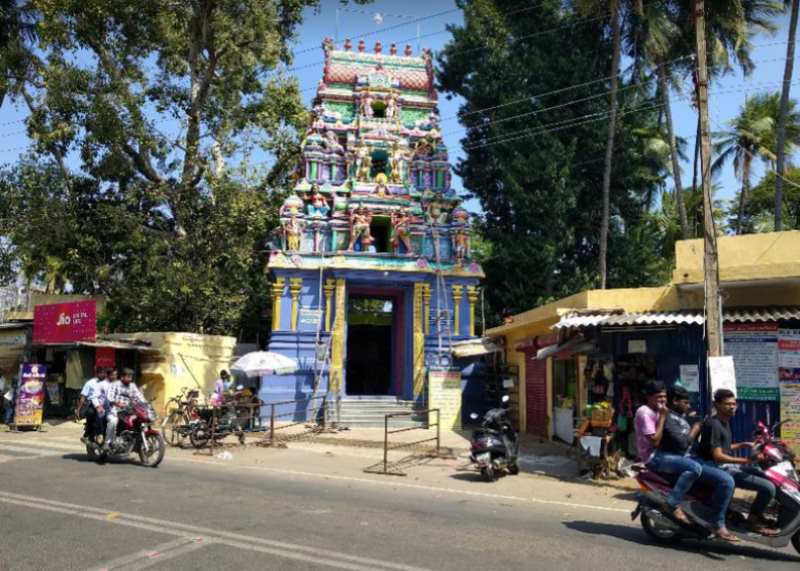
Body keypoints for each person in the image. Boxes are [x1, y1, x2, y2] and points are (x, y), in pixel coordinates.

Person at [695, 388, 778, 535]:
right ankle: (751, 521)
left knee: (769, 478)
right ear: (717, 405)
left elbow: (724, 447)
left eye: (734, 404)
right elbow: (718, 456)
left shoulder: (724, 422)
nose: (732, 407)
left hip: (726, 465)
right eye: (727, 404)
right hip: (717, 467)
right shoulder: (713, 424)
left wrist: (743, 444)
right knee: (768, 488)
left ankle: (755, 516)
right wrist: (746, 460)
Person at [659, 386, 738, 542]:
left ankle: (719, 512)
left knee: (730, 473)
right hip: (682, 461)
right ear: (675, 401)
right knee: (726, 481)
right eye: (685, 402)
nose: (689, 406)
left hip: (693, 458)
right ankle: (717, 523)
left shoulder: (681, 417)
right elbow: (682, 444)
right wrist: (695, 428)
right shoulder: (668, 418)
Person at [104, 368, 145, 449]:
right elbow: (109, 397)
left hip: (128, 410)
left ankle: (135, 440)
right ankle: (107, 442)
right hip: (115, 410)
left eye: (131, 377)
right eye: (128, 376)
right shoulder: (114, 385)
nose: (130, 378)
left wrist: (144, 403)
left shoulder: (132, 386)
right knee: (113, 421)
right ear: (122, 377)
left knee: (140, 421)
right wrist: (117, 403)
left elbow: (139, 396)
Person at [78, 367, 107, 443]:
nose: (103, 374)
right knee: (92, 413)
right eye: (101, 372)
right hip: (93, 405)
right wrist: (78, 410)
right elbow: (83, 397)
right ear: (96, 374)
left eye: (104, 372)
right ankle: (93, 434)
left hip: (106, 405)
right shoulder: (90, 383)